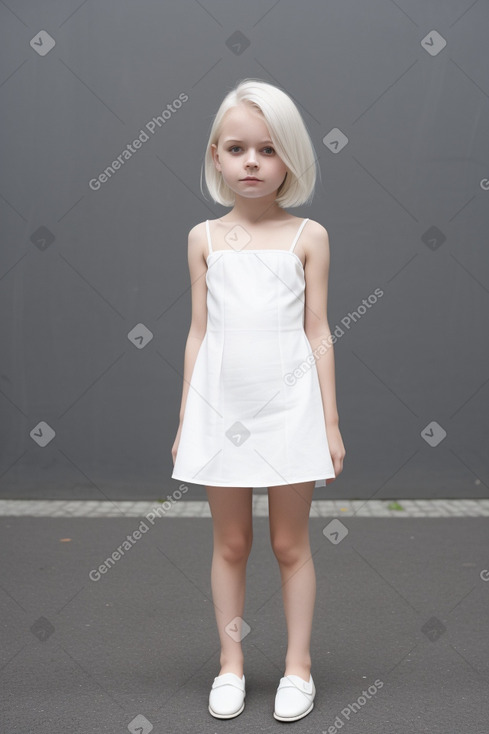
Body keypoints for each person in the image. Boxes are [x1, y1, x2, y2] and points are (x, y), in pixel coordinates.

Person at [171, 78, 346, 722]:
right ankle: (231, 665)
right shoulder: (204, 239)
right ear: (216, 156)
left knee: (291, 544)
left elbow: (318, 330)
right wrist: (188, 415)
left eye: (268, 149)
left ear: (290, 158)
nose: (252, 162)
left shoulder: (308, 236)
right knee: (230, 544)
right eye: (237, 148)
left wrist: (328, 420)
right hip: (222, 413)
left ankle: (298, 667)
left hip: (290, 413)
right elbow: (198, 332)